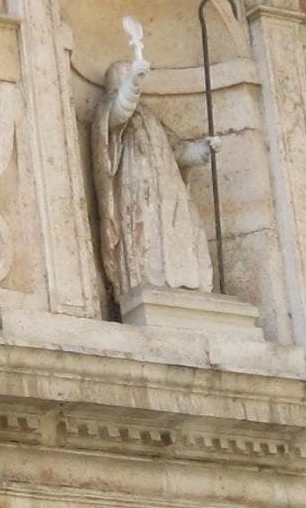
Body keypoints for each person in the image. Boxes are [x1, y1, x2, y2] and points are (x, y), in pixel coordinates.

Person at [90, 17, 219, 312]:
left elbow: (177, 149)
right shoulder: (108, 108)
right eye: (125, 76)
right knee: (146, 234)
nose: (133, 82)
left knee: (181, 229)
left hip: (168, 188)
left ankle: (186, 284)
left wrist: (203, 149)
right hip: (136, 189)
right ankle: (149, 283)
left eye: (132, 76)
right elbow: (121, 111)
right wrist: (134, 80)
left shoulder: (148, 115)